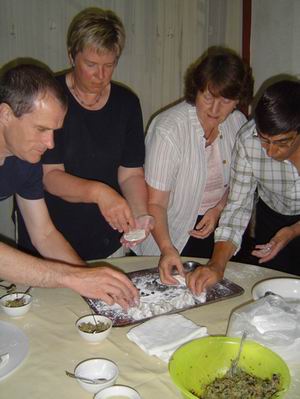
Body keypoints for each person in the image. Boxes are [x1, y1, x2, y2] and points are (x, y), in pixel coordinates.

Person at [16, 8, 153, 261]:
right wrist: (101, 193)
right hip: (49, 234)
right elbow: (50, 176)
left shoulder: (127, 103)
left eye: (109, 65)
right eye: (91, 64)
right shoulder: (50, 98)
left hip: (106, 234)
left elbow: (131, 173)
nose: (100, 75)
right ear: (71, 55)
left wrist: (139, 212)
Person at [0, 63, 138, 307]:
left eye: (54, 131)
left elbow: (44, 234)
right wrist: (72, 277)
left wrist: (87, 278)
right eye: (41, 129)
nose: (50, 144)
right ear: (6, 114)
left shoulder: (27, 159)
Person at [135, 47, 253, 285]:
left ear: (238, 100)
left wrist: (219, 208)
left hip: (218, 231)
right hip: (169, 233)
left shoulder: (238, 123)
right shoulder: (169, 130)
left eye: (226, 100)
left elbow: (242, 183)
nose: (215, 109)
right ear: (195, 90)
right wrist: (168, 249)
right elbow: (155, 203)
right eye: (208, 97)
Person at [187, 79, 300, 294]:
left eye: (282, 142)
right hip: (274, 217)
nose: (270, 152)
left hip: (292, 226)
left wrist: (293, 231)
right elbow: (237, 206)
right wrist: (216, 265)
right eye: (264, 140)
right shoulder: (248, 140)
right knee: (275, 295)